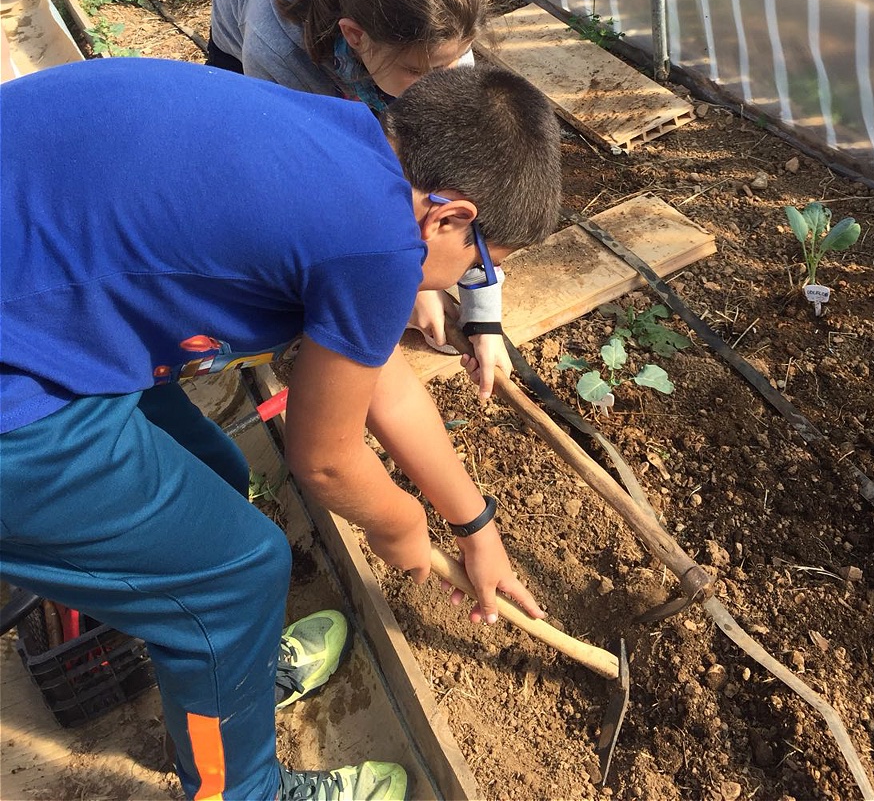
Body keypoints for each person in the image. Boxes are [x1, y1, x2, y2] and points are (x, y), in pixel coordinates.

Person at [0, 57, 561, 801]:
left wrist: (474, 526)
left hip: (39, 302)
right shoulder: (379, 245)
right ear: (450, 217)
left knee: (218, 476)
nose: (462, 282)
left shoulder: (354, 146)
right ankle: (241, 788)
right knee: (237, 576)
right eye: (477, 264)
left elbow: (383, 384)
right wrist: (399, 526)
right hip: (18, 384)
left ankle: (221, 665)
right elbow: (324, 461)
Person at [208, 0, 512, 401]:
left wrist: (484, 317)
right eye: (419, 73)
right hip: (250, 8)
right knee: (258, 164)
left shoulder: (440, 28)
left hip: (370, 40)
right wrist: (408, 285)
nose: (437, 86)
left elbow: (463, 171)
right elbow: (321, 188)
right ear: (354, 36)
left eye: (452, 63)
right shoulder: (275, 52)